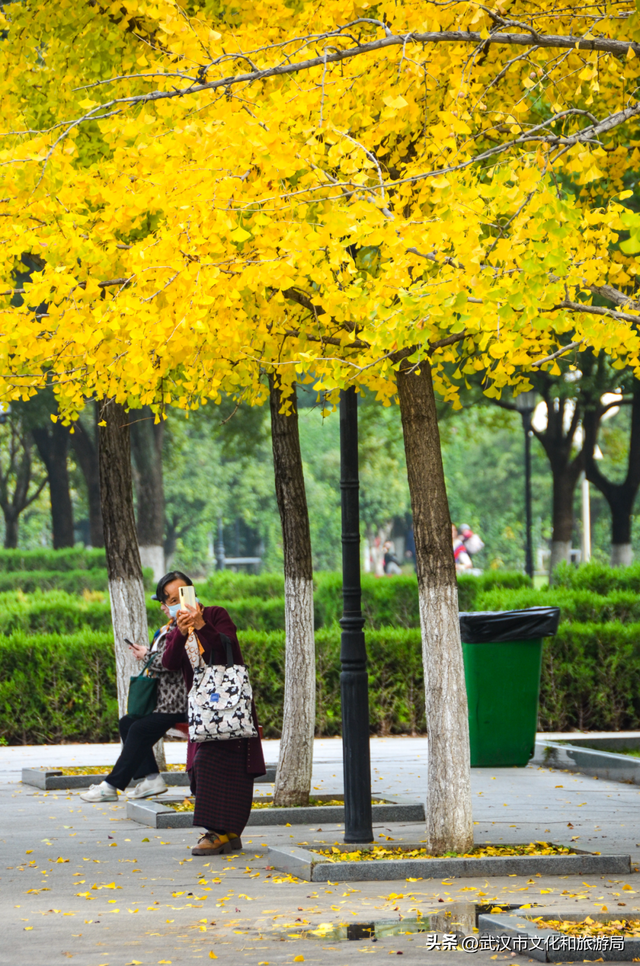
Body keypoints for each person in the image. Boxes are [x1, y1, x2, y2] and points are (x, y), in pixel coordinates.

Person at [161, 571, 265, 857]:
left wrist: (202, 625)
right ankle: (225, 833)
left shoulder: (216, 614)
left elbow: (227, 644)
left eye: (182, 594)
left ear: (192, 592)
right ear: (164, 606)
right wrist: (181, 632)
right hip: (204, 713)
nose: (178, 602)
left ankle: (220, 833)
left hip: (231, 707)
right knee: (201, 766)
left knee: (234, 769)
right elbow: (169, 663)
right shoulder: (174, 628)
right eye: (171, 599)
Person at [80, 591, 189, 803]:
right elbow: (165, 657)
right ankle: (151, 779)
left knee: (138, 729)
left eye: (166, 603)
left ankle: (111, 786)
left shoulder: (182, 629)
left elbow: (170, 662)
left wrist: (145, 655)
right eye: (163, 603)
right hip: (163, 701)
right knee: (127, 723)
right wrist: (147, 652)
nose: (163, 607)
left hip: (177, 703)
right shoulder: (168, 628)